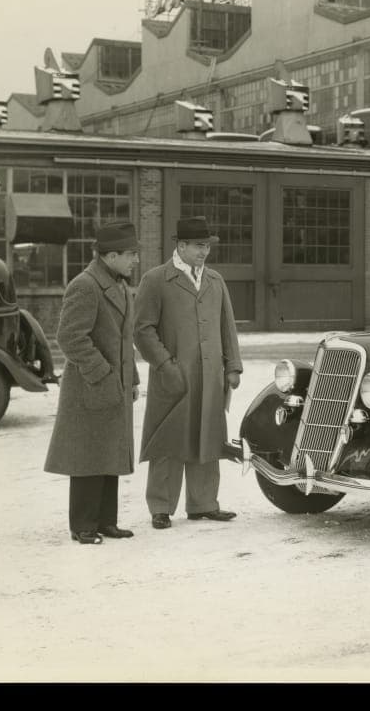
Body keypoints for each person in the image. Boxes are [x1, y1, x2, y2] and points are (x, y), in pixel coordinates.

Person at [134, 216, 243, 530]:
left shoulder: (215, 280)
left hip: (211, 377)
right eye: (198, 246)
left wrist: (233, 366)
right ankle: (161, 507)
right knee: (168, 440)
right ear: (180, 246)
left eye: (207, 246)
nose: (204, 252)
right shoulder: (155, 280)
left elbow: (227, 327)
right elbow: (142, 330)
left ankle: (204, 504)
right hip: (173, 377)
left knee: (208, 435)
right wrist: (165, 366)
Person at [44, 222, 141, 544]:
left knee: (109, 452)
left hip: (112, 385)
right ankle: (83, 526)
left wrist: (133, 378)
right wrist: (103, 373)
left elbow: (124, 339)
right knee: (88, 456)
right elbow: (69, 337)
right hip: (91, 385)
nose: (135, 261)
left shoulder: (118, 284)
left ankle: (105, 521)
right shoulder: (85, 285)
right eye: (130, 254)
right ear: (110, 255)